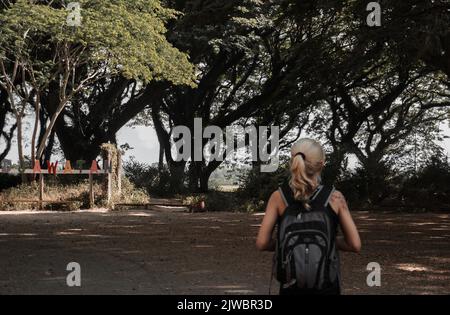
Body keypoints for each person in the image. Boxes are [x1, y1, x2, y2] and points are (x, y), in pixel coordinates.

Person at [256, 138, 361, 295]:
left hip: (290, 287)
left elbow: (262, 243)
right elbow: (355, 245)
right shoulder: (335, 198)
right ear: (322, 164)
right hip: (327, 287)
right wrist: (327, 241)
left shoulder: (278, 197)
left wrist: (286, 243)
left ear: (293, 161)